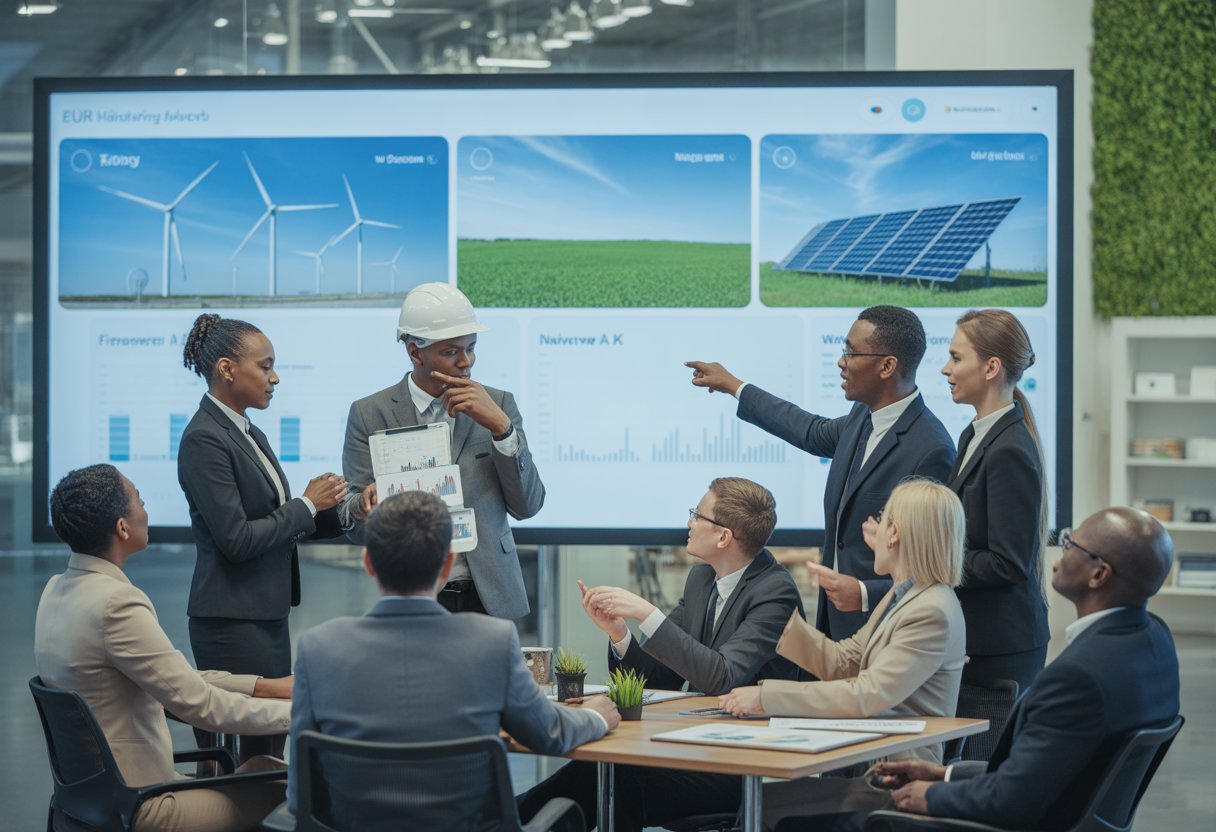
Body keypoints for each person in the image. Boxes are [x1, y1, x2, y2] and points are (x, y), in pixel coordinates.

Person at [287, 490, 618, 826]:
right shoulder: (491, 642)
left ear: (369, 562)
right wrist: (597, 717)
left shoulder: (318, 648)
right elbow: (548, 732)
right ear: (448, 563)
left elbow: (302, 800)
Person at [519, 477, 804, 832]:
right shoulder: (702, 580)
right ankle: (512, 818)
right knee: (599, 767)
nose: (689, 522)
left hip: (744, 765)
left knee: (619, 777)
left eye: (697, 515)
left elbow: (722, 676)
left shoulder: (775, 591)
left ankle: (508, 820)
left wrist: (646, 613)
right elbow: (658, 678)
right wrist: (619, 633)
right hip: (694, 743)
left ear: (723, 537)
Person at [875, 507, 1181, 832]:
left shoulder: (1078, 678)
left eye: (1069, 544)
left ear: (1098, 575)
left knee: (849, 815)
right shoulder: (1154, 641)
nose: (1058, 555)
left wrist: (930, 796)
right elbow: (1048, 772)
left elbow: (1009, 802)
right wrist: (944, 774)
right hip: (1064, 811)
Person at [35, 464, 293, 832]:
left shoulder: (57, 591)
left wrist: (265, 686)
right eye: (138, 498)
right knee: (303, 787)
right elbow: (200, 706)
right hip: (146, 804)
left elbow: (173, 678)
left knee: (265, 767)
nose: (145, 507)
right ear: (122, 528)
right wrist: (301, 713)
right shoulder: (115, 604)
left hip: (93, 800)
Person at [687, 306, 955, 640]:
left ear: (887, 366)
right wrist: (735, 386)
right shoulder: (862, 417)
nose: (841, 362)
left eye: (850, 352)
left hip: (888, 631)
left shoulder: (931, 450)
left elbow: (934, 567)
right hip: (835, 622)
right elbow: (811, 431)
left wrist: (865, 592)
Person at [715, 479, 966, 831]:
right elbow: (843, 661)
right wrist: (776, 613)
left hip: (898, 785)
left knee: (765, 808)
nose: (873, 529)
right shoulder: (905, 596)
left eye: (883, 519)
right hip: (870, 767)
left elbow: (866, 694)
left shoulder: (931, 610)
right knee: (762, 803)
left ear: (894, 532)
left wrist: (765, 696)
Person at [177, 313, 348, 761]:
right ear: (227, 369)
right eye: (265, 366)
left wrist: (346, 515)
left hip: (263, 615)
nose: (275, 378)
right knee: (252, 752)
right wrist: (308, 503)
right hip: (232, 621)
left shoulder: (247, 431)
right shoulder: (204, 439)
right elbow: (237, 539)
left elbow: (278, 526)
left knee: (271, 746)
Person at [342, 283, 544, 620]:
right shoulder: (369, 413)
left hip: (491, 597)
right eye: (451, 351)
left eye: (471, 348)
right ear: (415, 352)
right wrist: (366, 505)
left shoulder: (500, 404)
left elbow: (528, 506)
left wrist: (501, 429)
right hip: (412, 596)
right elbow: (355, 526)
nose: (466, 362)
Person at [940, 309, 1050, 689]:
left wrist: (932, 559)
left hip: (999, 649)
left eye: (956, 358)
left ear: (991, 368)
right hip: (979, 639)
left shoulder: (1008, 450)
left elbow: (1007, 564)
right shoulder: (974, 435)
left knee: (984, 752)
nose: (945, 369)